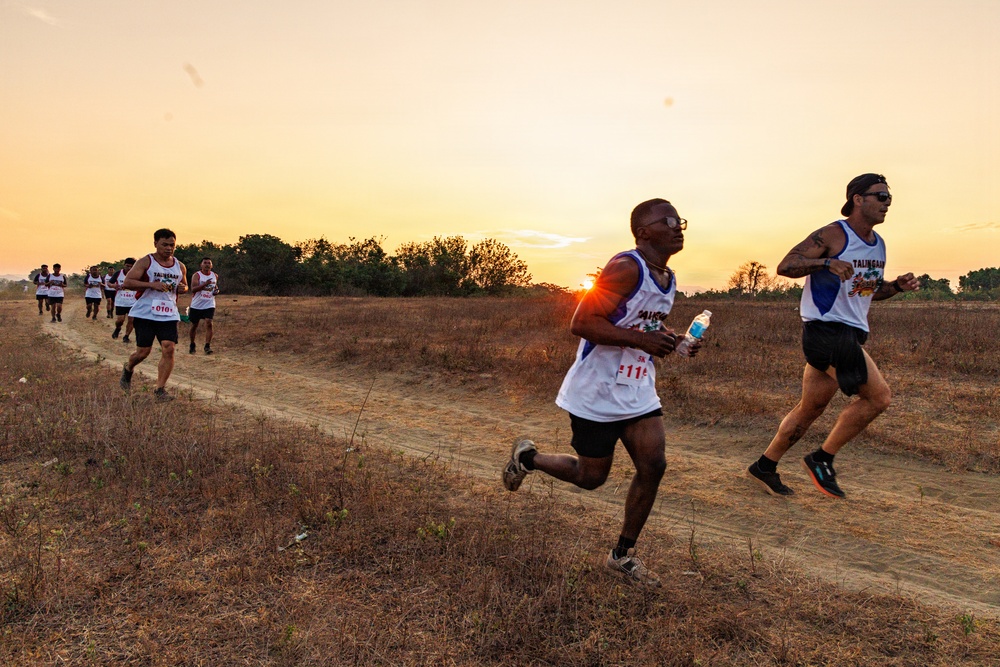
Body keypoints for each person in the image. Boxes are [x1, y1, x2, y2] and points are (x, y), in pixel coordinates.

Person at [502, 198, 699, 587]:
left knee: (653, 466)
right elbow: (582, 322)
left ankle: (621, 555)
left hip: (637, 388)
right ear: (644, 232)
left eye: (680, 221)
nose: (678, 227)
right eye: (669, 221)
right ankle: (528, 458)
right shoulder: (626, 268)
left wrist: (673, 340)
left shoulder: (667, 277)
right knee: (591, 477)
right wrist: (641, 341)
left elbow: (642, 324)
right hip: (596, 391)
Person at [747, 174, 919, 499]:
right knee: (878, 398)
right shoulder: (833, 234)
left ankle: (764, 466)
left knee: (809, 409)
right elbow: (786, 266)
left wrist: (896, 287)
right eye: (880, 196)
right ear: (858, 199)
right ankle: (822, 459)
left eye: (889, 198)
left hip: (850, 334)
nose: (887, 203)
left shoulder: (879, 244)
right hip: (826, 331)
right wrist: (826, 263)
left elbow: (867, 290)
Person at [120, 231, 188, 402]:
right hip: (145, 313)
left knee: (168, 347)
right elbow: (127, 283)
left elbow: (185, 285)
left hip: (168, 313)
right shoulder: (146, 262)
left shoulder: (180, 266)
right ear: (155, 243)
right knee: (143, 352)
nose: (169, 248)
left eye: (172, 245)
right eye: (165, 244)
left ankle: (160, 389)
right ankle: (128, 368)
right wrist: (152, 285)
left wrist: (183, 288)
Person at [187, 257, 219, 355]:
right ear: (201, 265)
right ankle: (192, 344)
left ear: (212, 265)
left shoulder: (215, 275)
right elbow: (193, 289)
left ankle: (207, 346)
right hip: (197, 304)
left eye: (209, 263)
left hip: (209, 303)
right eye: (205, 263)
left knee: (209, 323)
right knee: (194, 325)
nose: (207, 265)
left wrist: (217, 291)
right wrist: (204, 284)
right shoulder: (197, 275)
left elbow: (215, 286)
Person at [110, 258, 138, 343]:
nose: (129, 268)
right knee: (120, 320)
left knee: (131, 320)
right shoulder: (118, 273)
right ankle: (118, 328)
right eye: (127, 266)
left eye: (131, 267)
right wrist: (115, 286)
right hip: (121, 301)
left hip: (133, 302)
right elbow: (109, 283)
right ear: (124, 265)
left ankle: (126, 336)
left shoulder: (138, 274)